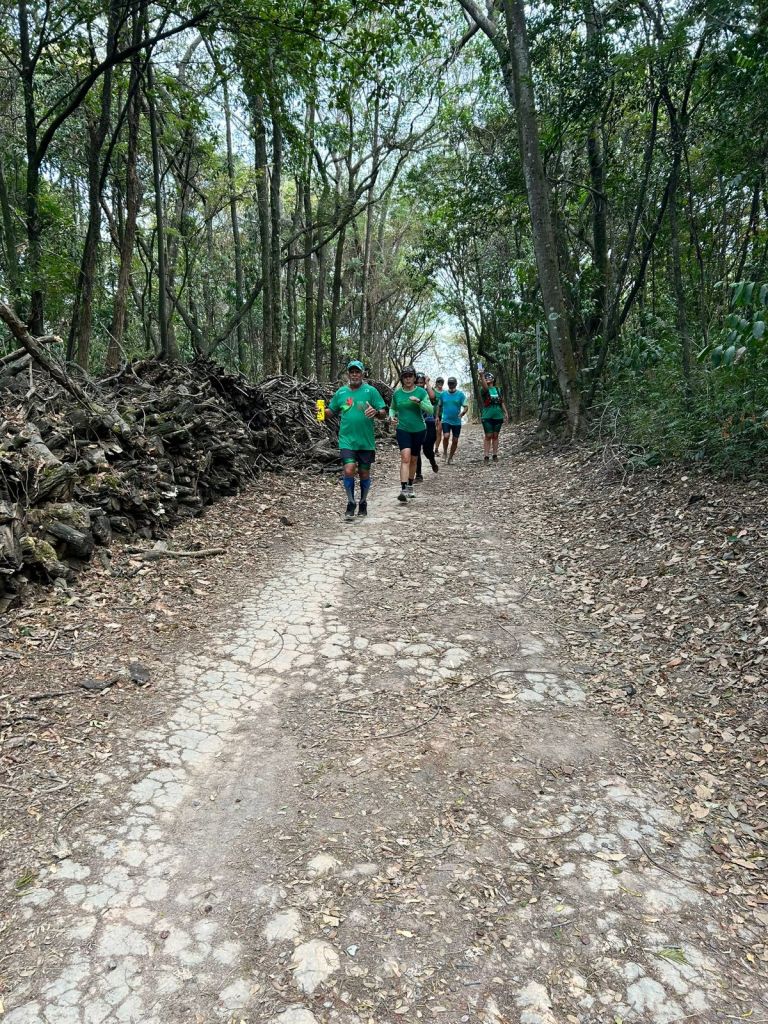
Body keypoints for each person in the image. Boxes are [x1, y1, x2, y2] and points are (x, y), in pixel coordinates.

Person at [327, 359, 387, 520]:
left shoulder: (371, 391)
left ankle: (363, 501)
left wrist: (376, 412)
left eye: (357, 371)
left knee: (364, 473)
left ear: (362, 373)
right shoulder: (341, 393)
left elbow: (383, 413)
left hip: (366, 441)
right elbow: (330, 412)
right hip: (347, 440)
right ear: (348, 374)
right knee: (349, 469)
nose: (355, 374)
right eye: (352, 372)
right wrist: (318, 410)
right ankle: (351, 502)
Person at [389, 366, 432, 503]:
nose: (408, 378)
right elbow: (392, 408)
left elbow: (430, 410)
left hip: (419, 429)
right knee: (405, 457)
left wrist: (419, 402)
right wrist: (391, 417)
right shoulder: (397, 394)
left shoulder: (421, 392)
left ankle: (410, 486)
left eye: (410, 376)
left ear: (414, 377)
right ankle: (403, 489)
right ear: (402, 378)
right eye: (405, 376)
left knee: (414, 459)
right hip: (403, 429)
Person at [477, 367, 509, 461]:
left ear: (493, 379)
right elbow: (485, 387)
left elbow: (501, 401)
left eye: (488, 377)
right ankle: (486, 456)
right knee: (488, 435)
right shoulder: (483, 390)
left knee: (495, 435)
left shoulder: (498, 389)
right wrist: (481, 375)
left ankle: (495, 455)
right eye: (485, 377)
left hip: (498, 415)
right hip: (487, 415)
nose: (487, 378)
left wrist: (506, 413)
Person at [415, 372, 439, 481]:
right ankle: (418, 475)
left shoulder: (427, 391)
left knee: (427, 450)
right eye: (418, 382)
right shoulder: (411, 393)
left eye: (421, 382)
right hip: (415, 423)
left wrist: (427, 382)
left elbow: (433, 397)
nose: (420, 384)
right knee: (415, 450)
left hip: (428, 423)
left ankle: (432, 461)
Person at [439, 377, 468, 464]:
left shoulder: (460, 394)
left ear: (456, 384)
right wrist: (437, 417)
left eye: (452, 383)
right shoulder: (443, 394)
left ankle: (450, 457)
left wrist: (462, 413)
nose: (451, 385)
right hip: (446, 420)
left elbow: (466, 406)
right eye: (449, 383)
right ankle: (444, 452)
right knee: (446, 436)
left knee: (455, 440)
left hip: (457, 421)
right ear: (448, 384)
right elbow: (439, 406)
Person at [433, 377, 445, 453]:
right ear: (436, 383)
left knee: (439, 431)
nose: (440, 383)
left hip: (442, 414)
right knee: (432, 432)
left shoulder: (445, 392)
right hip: (432, 414)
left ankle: (436, 449)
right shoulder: (433, 391)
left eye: (441, 382)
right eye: (438, 382)